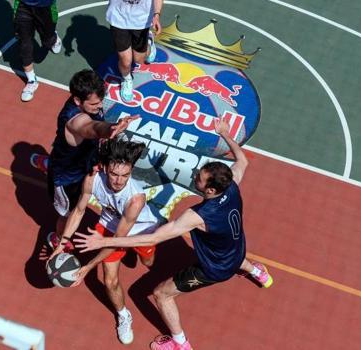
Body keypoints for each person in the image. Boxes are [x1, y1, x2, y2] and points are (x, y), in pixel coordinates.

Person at [74, 119, 273, 350]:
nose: (196, 175)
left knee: (161, 294)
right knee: (231, 252)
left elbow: (153, 238)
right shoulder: (231, 184)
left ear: (210, 190)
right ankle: (256, 271)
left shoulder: (198, 216)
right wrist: (225, 134)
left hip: (215, 268)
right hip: (235, 248)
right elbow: (243, 161)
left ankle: (180, 343)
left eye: (200, 177)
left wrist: (104, 241)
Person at [48, 138, 158, 344]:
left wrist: (88, 266)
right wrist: (61, 245)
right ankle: (123, 314)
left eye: (125, 175)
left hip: (141, 232)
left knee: (148, 263)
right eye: (114, 174)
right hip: (109, 224)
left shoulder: (135, 199)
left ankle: (145, 255)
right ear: (105, 167)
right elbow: (79, 210)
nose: (118, 181)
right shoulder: (92, 178)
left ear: (131, 171)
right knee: (110, 280)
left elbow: (118, 240)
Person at [32, 69, 139, 249]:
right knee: (69, 213)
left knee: (65, 149)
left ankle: (48, 161)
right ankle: (58, 238)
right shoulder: (76, 121)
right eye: (94, 104)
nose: (99, 106)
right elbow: (93, 128)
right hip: (68, 177)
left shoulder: (87, 101)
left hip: (78, 157)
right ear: (77, 101)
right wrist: (111, 128)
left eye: (100, 102)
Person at [0, 0, 62, 101]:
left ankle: (53, 38)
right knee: (24, 43)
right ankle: (32, 80)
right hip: (23, 6)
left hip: (45, 6)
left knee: (48, 41)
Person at [106, 0, 164, 102]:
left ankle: (149, 42)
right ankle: (127, 79)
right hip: (118, 19)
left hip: (142, 20)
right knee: (126, 61)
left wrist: (156, 15)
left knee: (139, 60)